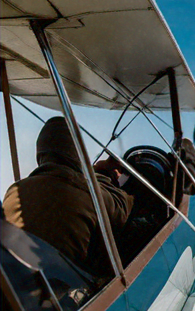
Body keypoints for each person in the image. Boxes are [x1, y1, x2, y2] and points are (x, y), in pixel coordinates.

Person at [2, 117, 133, 277]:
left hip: (14, 282)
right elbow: (122, 208)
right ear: (78, 153)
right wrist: (102, 174)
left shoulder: (15, 189)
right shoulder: (83, 189)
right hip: (60, 291)